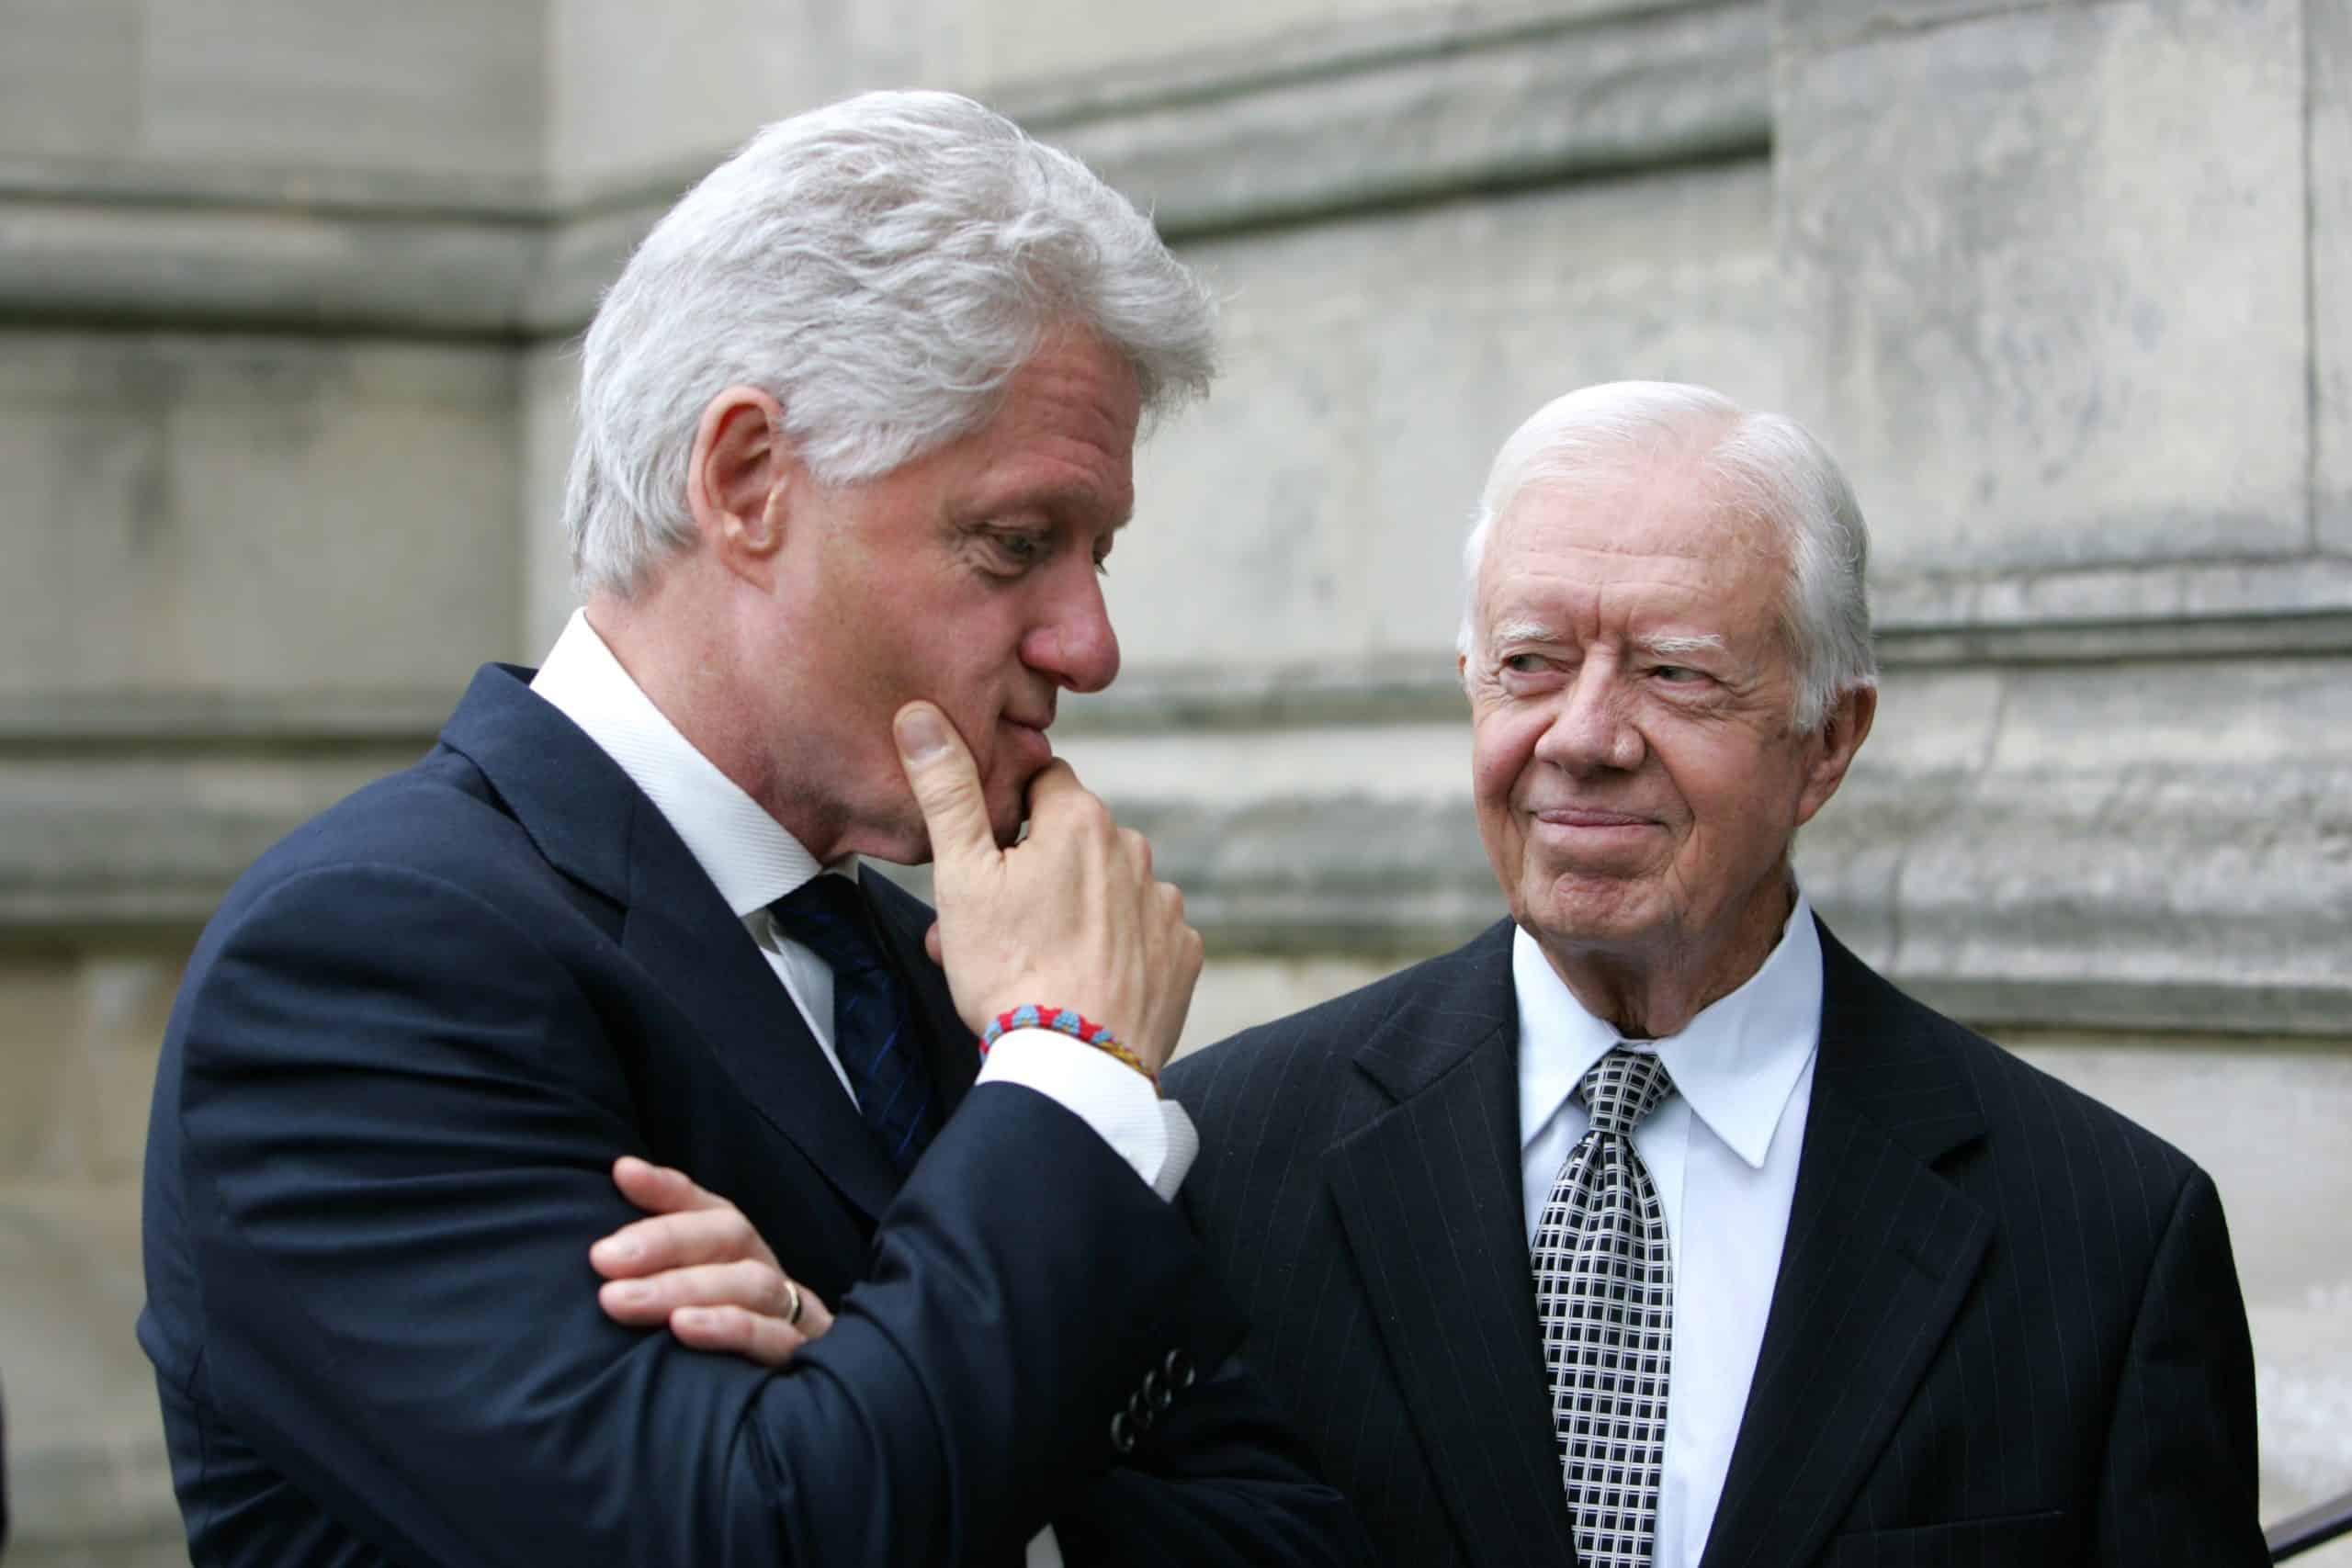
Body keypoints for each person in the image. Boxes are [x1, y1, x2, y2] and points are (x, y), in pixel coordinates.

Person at [612, 380, 2271, 1566]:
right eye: (1530, 665)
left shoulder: (2103, 1243)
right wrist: (844, 1358)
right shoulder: (1219, 1163)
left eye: (1675, 674)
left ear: (1828, 742)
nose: (1584, 737)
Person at [136, 90, 1363, 1567]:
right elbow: (755, 1539)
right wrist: (1072, 1071)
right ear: (746, 482)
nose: (1089, 646)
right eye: (1016, 544)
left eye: (1096, 556)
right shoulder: (365, 964)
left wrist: (858, 1376)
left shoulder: (952, 972)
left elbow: (1286, 1541)